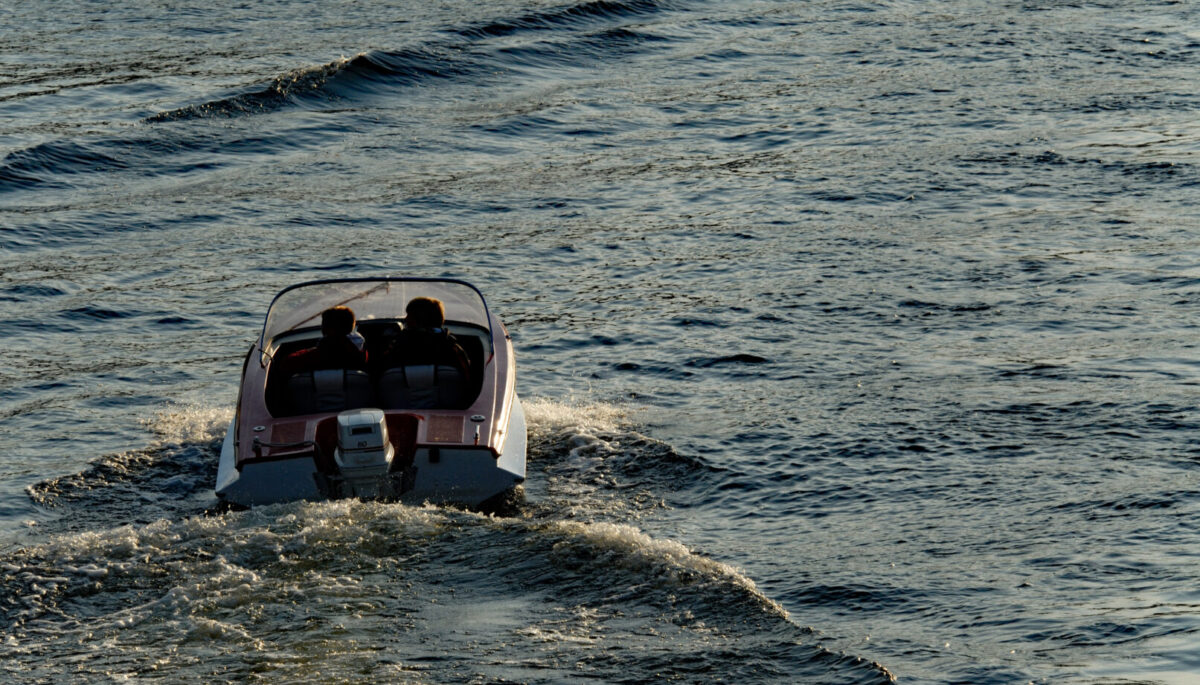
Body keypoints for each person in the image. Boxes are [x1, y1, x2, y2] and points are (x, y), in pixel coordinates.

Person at [375, 297, 470, 378]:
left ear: (418, 320)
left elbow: (380, 372)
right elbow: (466, 376)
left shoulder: (399, 346)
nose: (405, 319)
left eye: (409, 315)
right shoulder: (452, 347)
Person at [280, 305, 368, 373]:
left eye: (324, 324)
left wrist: (309, 350)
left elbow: (286, 363)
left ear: (330, 329)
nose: (322, 328)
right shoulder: (362, 355)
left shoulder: (320, 354)